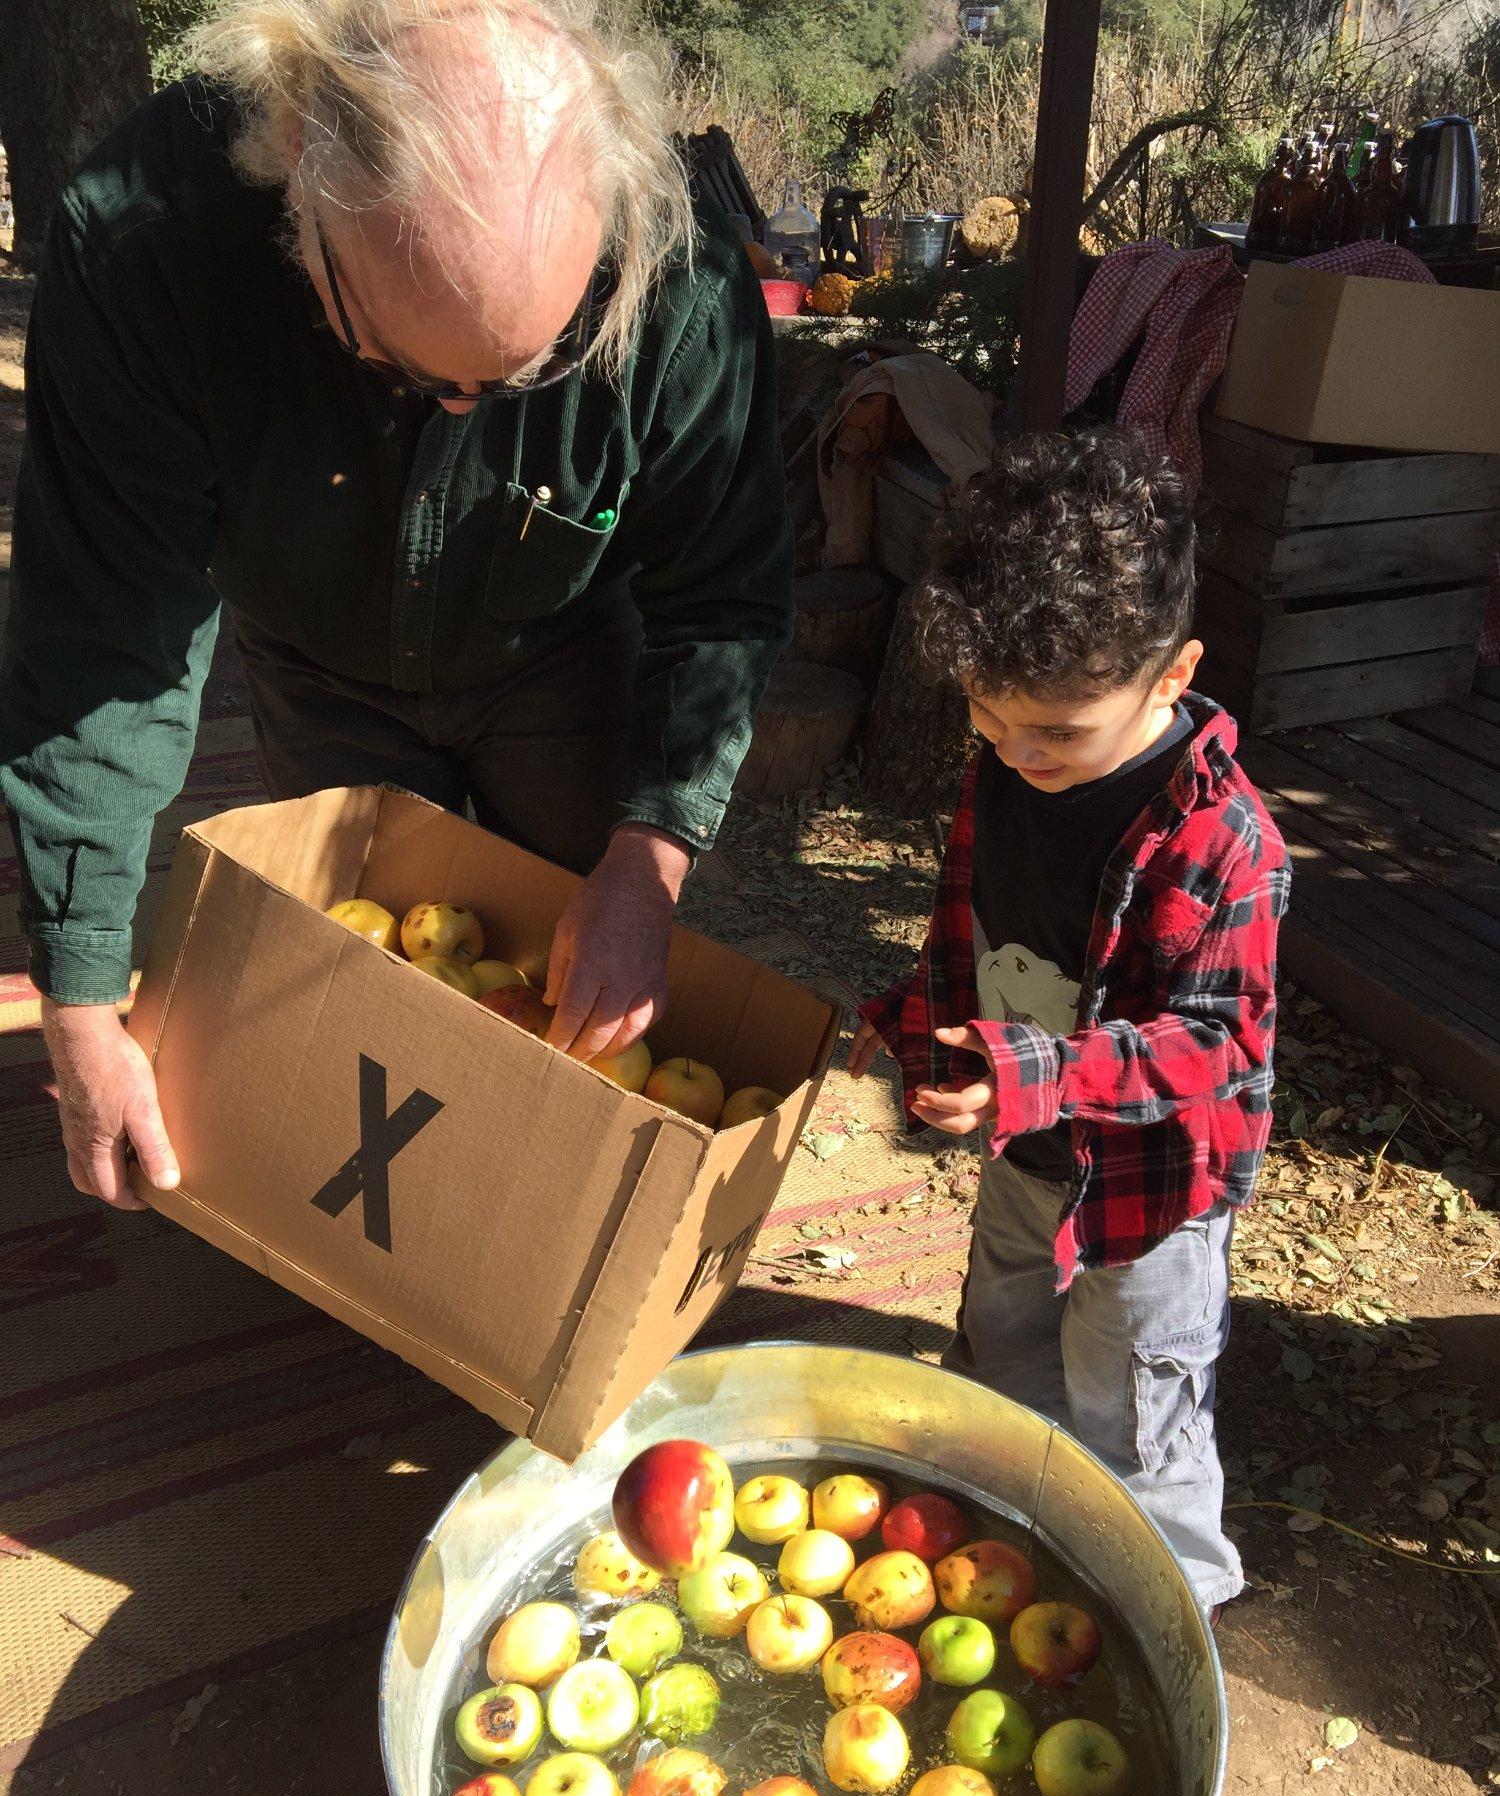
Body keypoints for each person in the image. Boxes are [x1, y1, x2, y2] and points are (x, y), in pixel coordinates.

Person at [0, 0, 791, 1213]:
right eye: (406, 368)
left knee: (569, 1038)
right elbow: (106, 638)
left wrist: (652, 852)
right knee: (355, 1021)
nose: (463, 415)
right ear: (299, 171)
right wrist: (81, 986)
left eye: (528, 374)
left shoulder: (681, 276)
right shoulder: (145, 243)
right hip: (314, 656)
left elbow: (722, 593)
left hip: (563, 652)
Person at [851, 429, 1290, 1616]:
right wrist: (920, 1016)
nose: (1019, 751)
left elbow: (1217, 1045)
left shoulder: (1222, 839)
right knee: (1003, 1345)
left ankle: (1168, 1607)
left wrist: (1034, 1072)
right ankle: (1023, 1537)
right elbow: (988, 932)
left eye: (1058, 731)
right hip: (1026, 1148)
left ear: (1171, 674)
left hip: (1149, 1196)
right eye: (990, 720)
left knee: (1131, 1404)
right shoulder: (1005, 765)